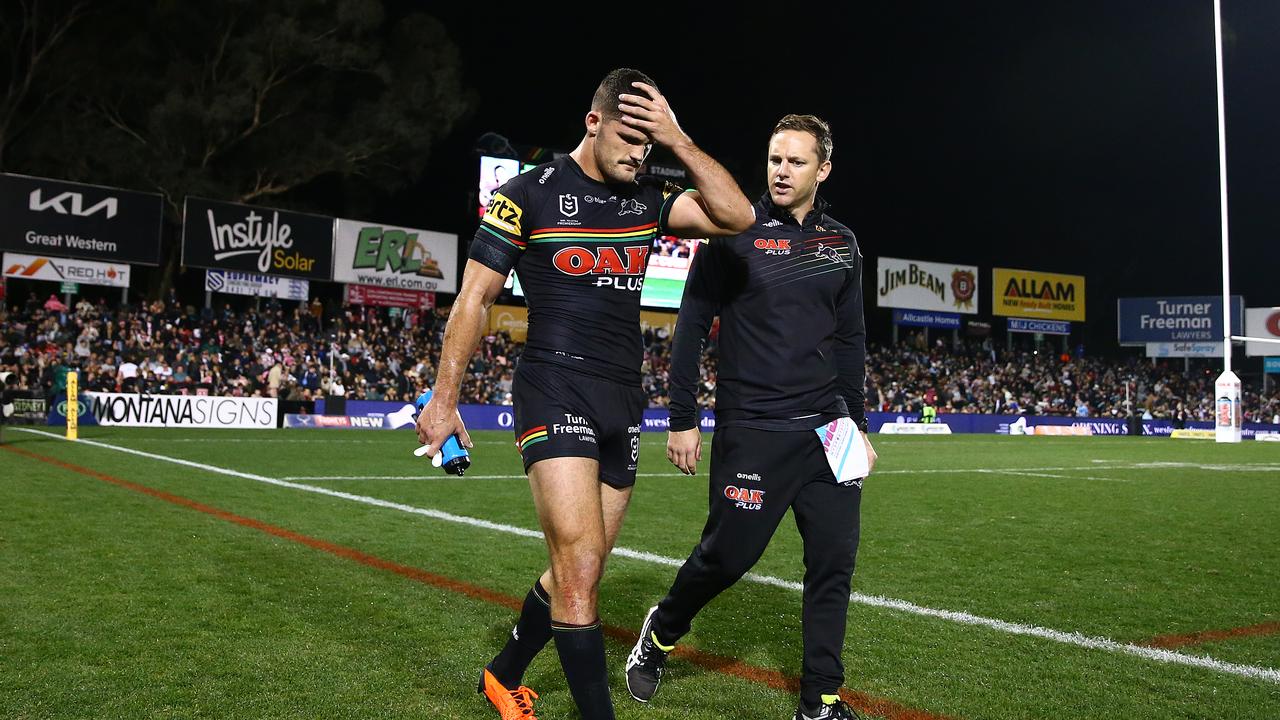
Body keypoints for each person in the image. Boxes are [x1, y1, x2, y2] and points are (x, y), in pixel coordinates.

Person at [416, 68, 753, 720]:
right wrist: (443, 398)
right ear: (592, 122)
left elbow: (736, 218)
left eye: (647, 144)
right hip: (552, 385)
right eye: (629, 138)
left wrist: (678, 142)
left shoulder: (648, 197)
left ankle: (503, 673)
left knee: (585, 568)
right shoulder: (524, 195)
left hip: (622, 400)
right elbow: (474, 297)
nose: (638, 154)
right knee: (575, 568)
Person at [623, 114, 877, 720]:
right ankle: (660, 629)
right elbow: (690, 324)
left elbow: (851, 340)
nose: (782, 171)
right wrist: (681, 416)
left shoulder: (840, 244)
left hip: (830, 427)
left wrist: (858, 425)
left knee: (834, 563)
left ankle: (821, 700)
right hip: (754, 427)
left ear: (824, 170)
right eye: (775, 159)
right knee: (727, 558)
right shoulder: (732, 227)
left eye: (796, 161)